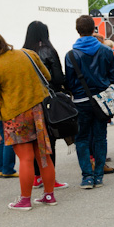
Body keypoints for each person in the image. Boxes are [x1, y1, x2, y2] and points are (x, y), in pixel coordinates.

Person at [0, 29, 57, 210]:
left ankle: (24, 200)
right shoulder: (28, 54)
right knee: (43, 157)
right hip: (39, 112)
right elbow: (48, 76)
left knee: (26, 159)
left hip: (15, 117)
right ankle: (49, 195)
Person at [66, 15, 114, 187]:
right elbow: (113, 76)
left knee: (81, 138)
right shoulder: (106, 51)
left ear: (77, 30)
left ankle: (87, 177)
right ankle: (99, 176)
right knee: (100, 137)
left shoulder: (71, 55)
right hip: (102, 101)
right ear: (94, 29)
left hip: (81, 102)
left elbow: (70, 82)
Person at [23, 21, 69, 190]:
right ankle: (50, 178)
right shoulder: (49, 51)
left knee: (34, 140)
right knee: (49, 140)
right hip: (47, 102)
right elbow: (57, 78)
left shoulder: (23, 53)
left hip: (28, 103)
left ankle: (36, 177)